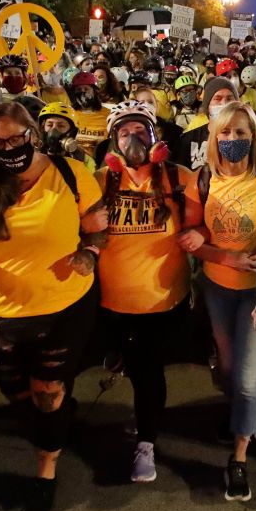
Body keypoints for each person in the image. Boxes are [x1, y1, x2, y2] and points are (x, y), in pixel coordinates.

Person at [0, 102, 107, 511]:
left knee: (47, 393)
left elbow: (97, 229)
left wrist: (89, 255)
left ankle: (46, 468)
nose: (8, 147)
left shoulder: (71, 173)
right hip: (2, 310)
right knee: (14, 391)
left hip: (63, 305)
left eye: (16, 138)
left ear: (33, 134)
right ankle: (51, 427)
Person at [176, 102, 256, 501]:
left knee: (245, 377)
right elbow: (193, 235)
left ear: (254, 138)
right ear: (213, 137)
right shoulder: (202, 180)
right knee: (226, 369)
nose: (233, 140)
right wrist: (225, 257)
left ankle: (239, 457)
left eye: (242, 133)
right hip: (218, 289)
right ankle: (239, 412)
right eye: (226, 133)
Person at [95, 101, 192, 484]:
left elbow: (203, 226)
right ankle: (145, 414)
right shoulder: (99, 181)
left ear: (156, 139)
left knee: (148, 370)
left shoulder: (179, 178)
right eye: (123, 133)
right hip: (112, 301)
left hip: (163, 299)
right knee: (138, 369)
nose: (132, 138)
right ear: (113, 143)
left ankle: (147, 444)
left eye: (140, 131)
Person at [170, 76, 239, 170]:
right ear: (208, 105)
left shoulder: (246, 137)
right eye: (217, 99)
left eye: (229, 99)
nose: (224, 104)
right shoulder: (187, 140)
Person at [39, 101, 95, 171]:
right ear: (43, 128)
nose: (53, 131)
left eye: (61, 126)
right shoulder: (33, 156)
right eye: (49, 125)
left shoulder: (84, 160)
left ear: (72, 132)